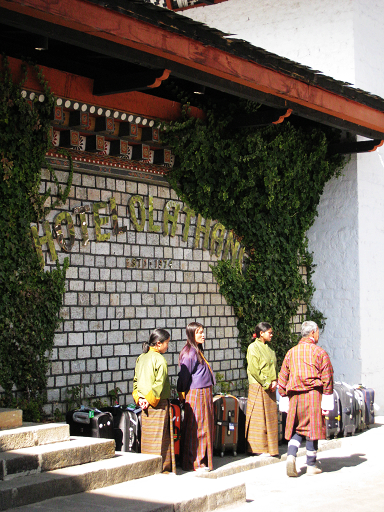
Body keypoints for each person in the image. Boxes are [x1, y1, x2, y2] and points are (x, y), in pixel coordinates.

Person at [278, 320, 334, 477]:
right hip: (313, 395)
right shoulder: (319, 352)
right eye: (317, 332)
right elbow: (327, 376)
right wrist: (327, 397)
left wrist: (283, 394)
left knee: (298, 427)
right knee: (312, 429)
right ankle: (311, 465)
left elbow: (283, 376)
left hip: (295, 397)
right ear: (313, 333)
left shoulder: (291, 352)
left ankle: (291, 456)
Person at [132, 328, 176, 473]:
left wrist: (140, 399)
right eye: (167, 343)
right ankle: (160, 468)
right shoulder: (160, 360)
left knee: (147, 439)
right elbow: (159, 384)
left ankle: (146, 467)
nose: (168, 346)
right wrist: (151, 400)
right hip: (158, 404)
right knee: (160, 439)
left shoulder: (141, 357)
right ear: (158, 343)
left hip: (144, 404)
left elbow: (136, 382)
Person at [177, 322, 215, 472]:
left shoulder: (197, 350)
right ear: (191, 334)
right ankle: (195, 462)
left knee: (205, 427)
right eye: (199, 332)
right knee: (197, 427)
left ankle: (202, 459)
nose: (202, 335)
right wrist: (181, 394)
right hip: (196, 393)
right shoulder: (189, 353)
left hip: (204, 392)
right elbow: (184, 377)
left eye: (203, 332)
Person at [245, 321, 279, 457]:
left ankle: (270, 448)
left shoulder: (270, 349)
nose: (271, 335)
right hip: (259, 386)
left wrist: (275, 381)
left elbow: (273, 368)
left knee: (269, 418)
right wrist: (266, 383)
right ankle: (258, 448)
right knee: (258, 418)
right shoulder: (253, 348)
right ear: (261, 333)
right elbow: (254, 369)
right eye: (269, 333)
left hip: (270, 387)